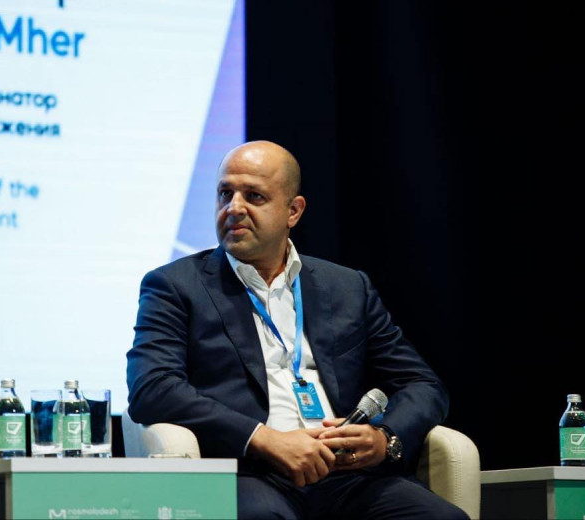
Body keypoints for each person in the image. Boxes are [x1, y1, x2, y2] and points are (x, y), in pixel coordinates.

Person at [127, 140, 468, 519]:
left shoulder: (346, 287)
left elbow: (422, 384)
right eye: (225, 193)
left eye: (253, 196)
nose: (233, 207)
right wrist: (263, 438)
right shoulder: (176, 285)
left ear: (293, 211)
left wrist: (384, 437)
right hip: (251, 472)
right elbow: (152, 388)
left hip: (347, 474)